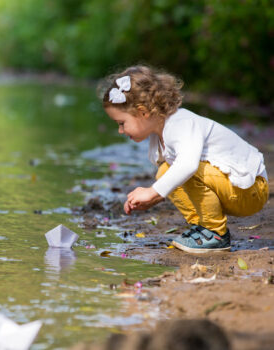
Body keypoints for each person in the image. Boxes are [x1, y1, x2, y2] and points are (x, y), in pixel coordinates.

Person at [98, 65, 269, 253]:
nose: (120, 131)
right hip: (232, 188)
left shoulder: (181, 123)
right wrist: (155, 196)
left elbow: (187, 165)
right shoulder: (159, 135)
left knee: (185, 169)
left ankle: (215, 233)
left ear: (143, 112)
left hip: (251, 189)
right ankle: (203, 228)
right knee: (165, 171)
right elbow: (174, 175)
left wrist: (153, 192)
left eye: (122, 124)